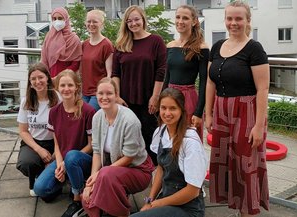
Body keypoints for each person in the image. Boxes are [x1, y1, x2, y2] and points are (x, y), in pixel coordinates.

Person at [205, 1, 270, 216]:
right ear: (225, 20)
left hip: (247, 112)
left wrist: (259, 126)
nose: (234, 23)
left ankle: (248, 211)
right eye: (230, 18)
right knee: (226, 161)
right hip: (222, 110)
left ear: (248, 21)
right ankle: (237, 206)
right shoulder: (217, 46)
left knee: (245, 164)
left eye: (238, 18)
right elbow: (210, 82)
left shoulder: (254, 49)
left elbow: (263, 89)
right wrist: (209, 113)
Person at [82, 77, 155, 217]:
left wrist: (99, 174)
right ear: (96, 95)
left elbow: (129, 157)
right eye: (100, 93)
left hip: (138, 169)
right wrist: (91, 182)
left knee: (105, 175)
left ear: (116, 95)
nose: (104, 97)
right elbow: (96, 151)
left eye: (109, 93)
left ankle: (122, 213)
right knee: (87, 198)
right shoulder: (97, 117)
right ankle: (103, 208)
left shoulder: (130, 120)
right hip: (114, 168)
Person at [130, 88, 207, 217]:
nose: (167, 113)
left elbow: (193, 191)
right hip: (166, 199)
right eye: (163, 108)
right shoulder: (160, 132)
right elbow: (161, 168)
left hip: (188, 208)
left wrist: (158, 203)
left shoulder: (190, 142)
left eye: (172, 108)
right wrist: (150, 200)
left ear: (182, 111)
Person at [33, 69, 96, 217]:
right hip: (64, 159)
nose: (66, 89)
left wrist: (67, 162)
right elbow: (57, 142)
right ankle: (70, 180)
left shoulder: (88, 111)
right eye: (62, 85)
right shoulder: (54, 112)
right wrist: (60, 163)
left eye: (70, 85)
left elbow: (92, 144)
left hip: (82, 159)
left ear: (77, 87)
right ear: (57, 88)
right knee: (40, 189)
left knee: (72, 157)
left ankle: (77, 199)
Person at [112, 5, 167, 164]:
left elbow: (161, 71)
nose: (133, 23)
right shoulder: (121, 44)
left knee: (151, 136)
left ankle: (155, 172)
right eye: (129, 21)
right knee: (130, 137)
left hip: (149, 99)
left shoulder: (155, 41)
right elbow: (115, 73)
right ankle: (136, 171)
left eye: (136, 19)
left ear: (143, 20)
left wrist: (155, 96)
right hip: (126, 101)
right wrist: (116, 96)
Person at [16, 62, 60, 197]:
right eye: (33, 79)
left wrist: (55, 155)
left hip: (55, 142)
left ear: (47, 78)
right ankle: (38, 174)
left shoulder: (58, 98)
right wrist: (39, 150)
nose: (37, 81)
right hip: (35, 142)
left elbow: (63, 129)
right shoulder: (26, 101)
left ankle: (48, 175)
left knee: (48, 196)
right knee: (26, 162)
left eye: (40, 77)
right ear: (30, 82)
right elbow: (23, 131)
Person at [165, 5, 209, 139]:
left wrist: (199, 111)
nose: (180, 21)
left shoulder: (201, 48)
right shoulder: (170, 46)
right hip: (170, 96)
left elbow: (204, 82)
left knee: (188, 139)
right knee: (169, 139)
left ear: (194, 21)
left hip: (188, 98)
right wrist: (161, 100)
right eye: (178, 17)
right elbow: (166, 77)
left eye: (185, 18)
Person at [81, 9, 114, 111]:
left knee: (89, 116)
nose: (91, 24)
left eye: (95, 21)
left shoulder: (106, 45)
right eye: (89, 21)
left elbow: (110, 73)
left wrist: (105, 92)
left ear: (102, 24)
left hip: (98, 93)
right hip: (84, 92)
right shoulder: (84, 44)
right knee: (81, 119)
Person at [41, 7, 82, 79]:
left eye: (60, 18)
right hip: (51, 78)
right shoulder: (49, 37)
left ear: (66, 19)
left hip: (68, 79)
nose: (57, 21)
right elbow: (44, 59)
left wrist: (61, 77)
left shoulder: (74, 39)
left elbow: (76, 63)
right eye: (54, 19)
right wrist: (47, 77)